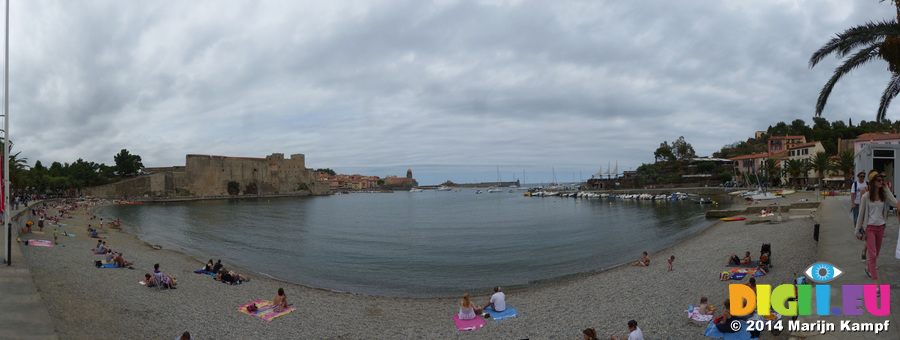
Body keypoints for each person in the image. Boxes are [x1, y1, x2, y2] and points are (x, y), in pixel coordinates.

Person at [855, 171, 897, 296]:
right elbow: (861, 214)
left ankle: (868, 268)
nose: (881, 181)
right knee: (873, 255)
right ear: (873, 182)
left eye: (882, 179)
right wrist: (857, 230)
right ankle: (875, 285)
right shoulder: (866, 197)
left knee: (876, 254)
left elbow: (895, 203)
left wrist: (887, 188)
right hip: (870, 228)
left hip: (880, 228)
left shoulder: (884, 195)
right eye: (878, 179)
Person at [856, 170, 878, 261]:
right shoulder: (864, 190)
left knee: (874, 240)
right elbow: (861, 205)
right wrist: (861, 220)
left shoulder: (879, 190)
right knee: (871, 239)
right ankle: (870, 262)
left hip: (877, 218)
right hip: (867, 217)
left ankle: (865, 252)